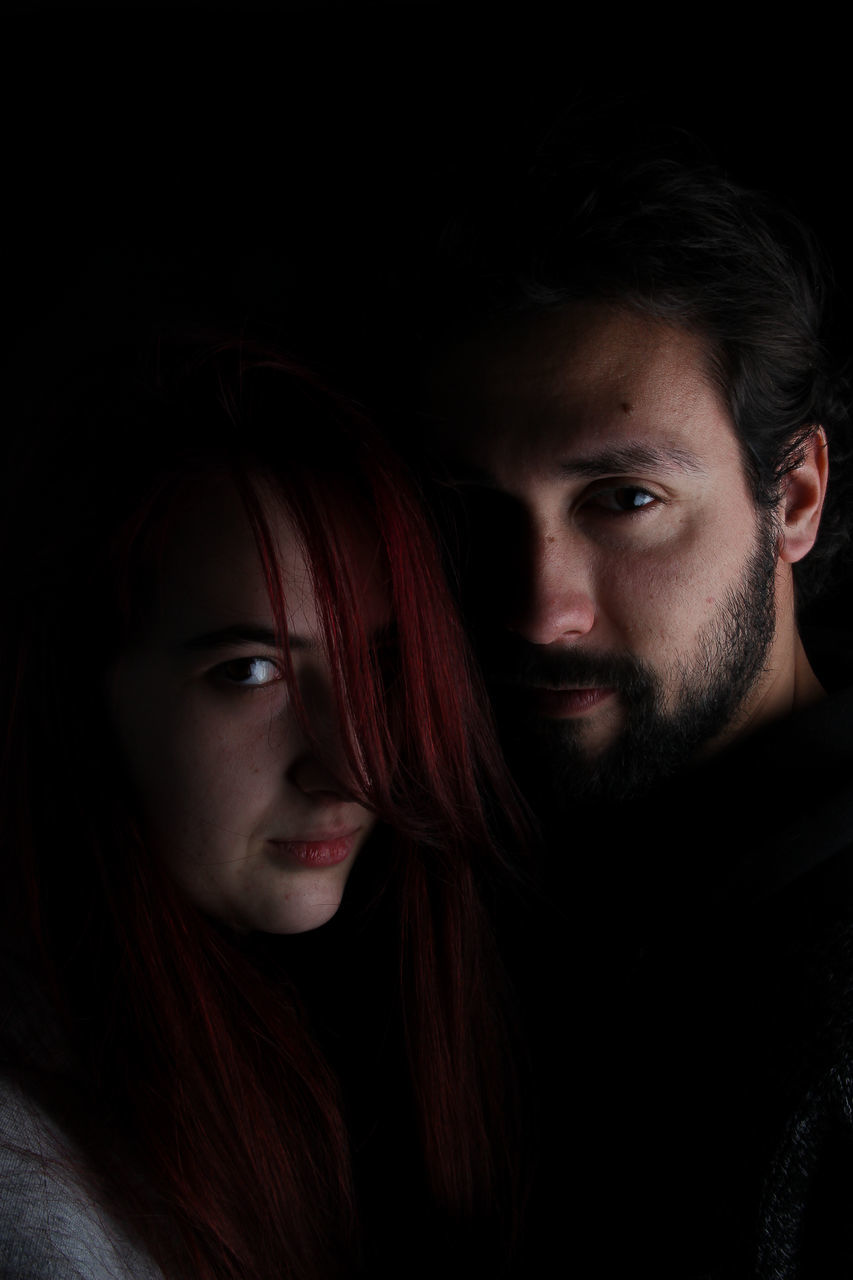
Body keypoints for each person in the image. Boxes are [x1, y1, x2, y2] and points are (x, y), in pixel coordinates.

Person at [412, 122, 853, 1276]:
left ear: (793, 496)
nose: (535, 607)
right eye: (471, 513)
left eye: (621, 496)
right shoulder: (465, 876)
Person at [0, 336, 530, 1280]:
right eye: (250, 671)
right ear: (83, 697)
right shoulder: (32, 1189)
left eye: (379, 666)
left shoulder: (387, 1023)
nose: (352, 762)